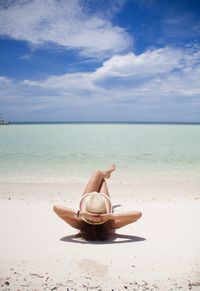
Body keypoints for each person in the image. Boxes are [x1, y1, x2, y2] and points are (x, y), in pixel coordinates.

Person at [53, 164, 142, 241]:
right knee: (101, 178)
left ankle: (107, 173)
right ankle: (107, 174)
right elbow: (138, 214)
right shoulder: (110, 224)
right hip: (104, 201)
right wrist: (110, 216)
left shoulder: (79, 223)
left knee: (98, 173)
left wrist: (81, 214)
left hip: (89, 200)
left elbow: (56, 208)